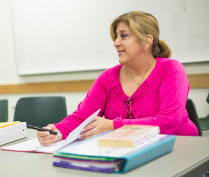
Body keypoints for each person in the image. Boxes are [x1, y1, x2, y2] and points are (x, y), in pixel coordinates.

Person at [37, 11, 199, 146]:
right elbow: (83, 116)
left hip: (180, 148)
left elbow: (169, 123)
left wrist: (112, 125)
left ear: (147, 40)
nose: (115, 43)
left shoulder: (171, 69)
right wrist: (58, 131)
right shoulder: (107, 77)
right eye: (116, 37)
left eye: (124, 36)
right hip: (132, 151)